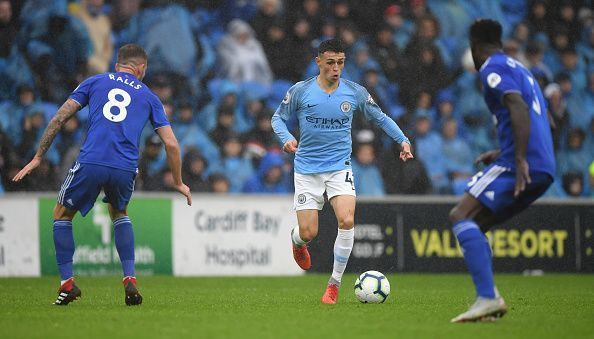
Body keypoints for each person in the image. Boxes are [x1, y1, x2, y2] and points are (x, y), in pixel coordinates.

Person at [12, 44, 192, 306]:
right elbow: (172, 144)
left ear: (118, 63)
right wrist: (178, 182)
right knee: (120, 213)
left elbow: (59, 118)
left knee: (61, 215)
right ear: (141, 68)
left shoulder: (94, 82)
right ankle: (129, 278)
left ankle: (67, 285)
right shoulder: (149, 95)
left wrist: (39, 156)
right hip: (126, 167)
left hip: (92, 161)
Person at [271, 38, 413, 305]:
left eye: (341, 63)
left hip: (339, 167)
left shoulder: (354, 92)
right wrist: (286, 138)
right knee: (309, 232)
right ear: (319, 63)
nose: (336, 68)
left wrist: (403, 140)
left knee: (347, 220)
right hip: (307, 169)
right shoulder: (301, 92)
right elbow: (277, 118)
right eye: (331, 63)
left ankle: (334, 284)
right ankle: (297, 241)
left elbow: (380, 117)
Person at [449, 19, 555, 323]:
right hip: (543, 165)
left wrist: (518, 156)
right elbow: (545, 120)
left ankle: (487, 297)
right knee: (476, 223)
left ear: (473, 44)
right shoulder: (521, 67)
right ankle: (490, 303)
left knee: (460, 215)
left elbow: (517, 106)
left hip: (522, 162)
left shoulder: (492, 68)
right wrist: (508, 149)